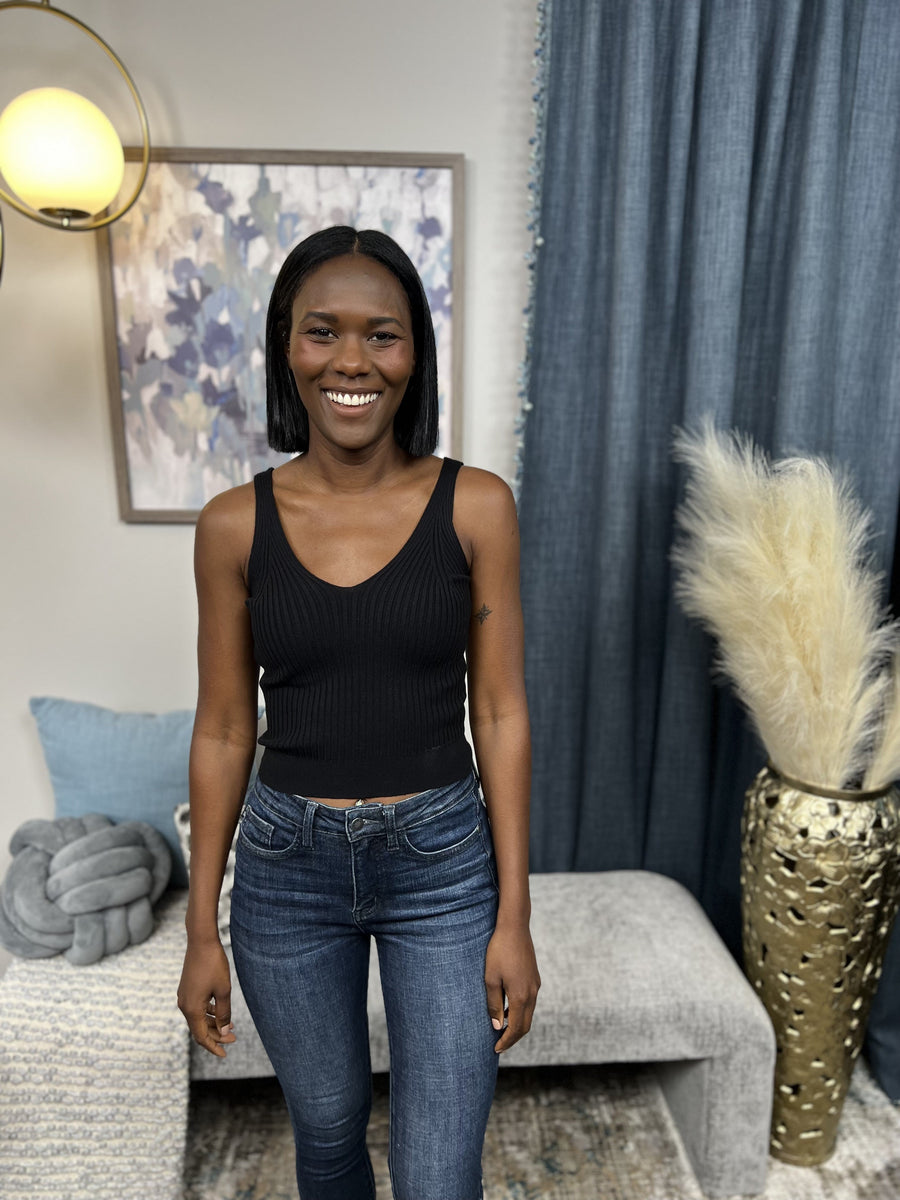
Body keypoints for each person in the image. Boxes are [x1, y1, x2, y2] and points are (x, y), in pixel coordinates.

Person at [177, 225, 540, 1200]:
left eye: (381, 335)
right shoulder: (231, 526)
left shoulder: (477, 506)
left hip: (442, 867)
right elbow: (223, 729)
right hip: (285, 870)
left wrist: (515, 915)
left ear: (414, 355)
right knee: (330, 1134)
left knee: (437, 1173)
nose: (351, 360)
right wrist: (201, 930)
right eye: (322, 331)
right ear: (286, 348)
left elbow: (500, 712)